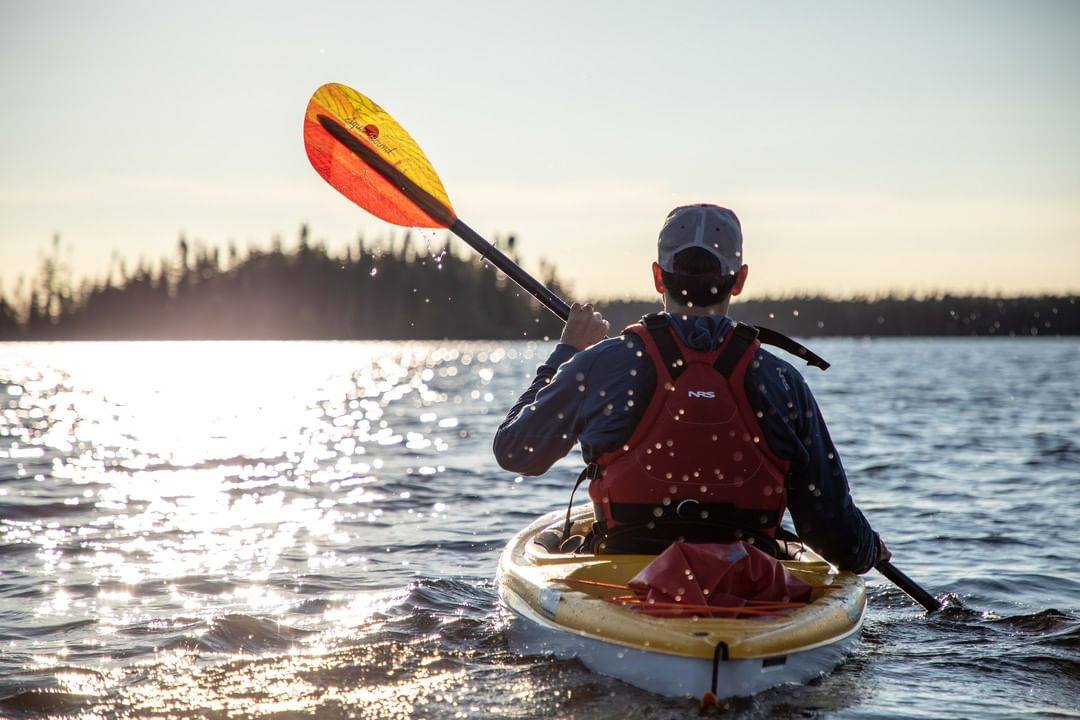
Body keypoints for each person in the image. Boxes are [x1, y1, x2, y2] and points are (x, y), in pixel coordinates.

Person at [493, 204, 889, 573]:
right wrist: (869, 547)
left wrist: (567, 352)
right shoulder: (783, 380)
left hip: (626, 584)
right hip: (751, 590)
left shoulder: (602, 364)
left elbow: (516, 452)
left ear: (658, 276)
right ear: (739, 281)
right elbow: (836, 538)